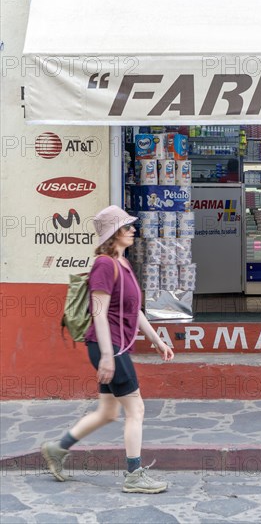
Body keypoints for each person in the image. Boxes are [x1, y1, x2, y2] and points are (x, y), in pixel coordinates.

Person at [41, 205, 174, 493]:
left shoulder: (123, 264)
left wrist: (157, 340)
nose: (133, 230)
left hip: (112, 345)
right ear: (113, 234)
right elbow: (99, 313)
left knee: (107, 412)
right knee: (136, 408)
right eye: (127, 227)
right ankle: (134, 475)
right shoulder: (104, 264)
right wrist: (106, 355)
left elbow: (135, 310)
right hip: (108, 345)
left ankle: (57, 449)